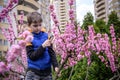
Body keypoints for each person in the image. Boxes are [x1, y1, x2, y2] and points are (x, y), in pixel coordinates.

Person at [25, 12, 59, 80]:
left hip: (47, 73)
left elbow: (51, 52)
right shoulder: (28, 38)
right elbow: (32, 56)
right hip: (33, 72)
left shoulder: (46, 36)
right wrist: (43, 46)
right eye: (35, 26)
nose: (38, 28)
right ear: (29, 25)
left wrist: (55, 65)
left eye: (40, 25)